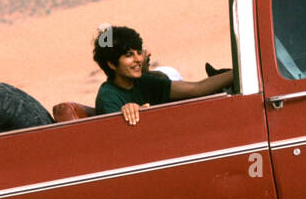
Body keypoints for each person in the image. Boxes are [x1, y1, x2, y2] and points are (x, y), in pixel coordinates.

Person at [92, 25, 233, 126]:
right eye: (129, 55)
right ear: (111, 64)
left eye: (139, 53)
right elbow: (117, 137)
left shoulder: (143, 82)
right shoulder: (108, 97)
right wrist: (126, 113)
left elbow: (197, 88)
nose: (139, 59)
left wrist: (237, 72)